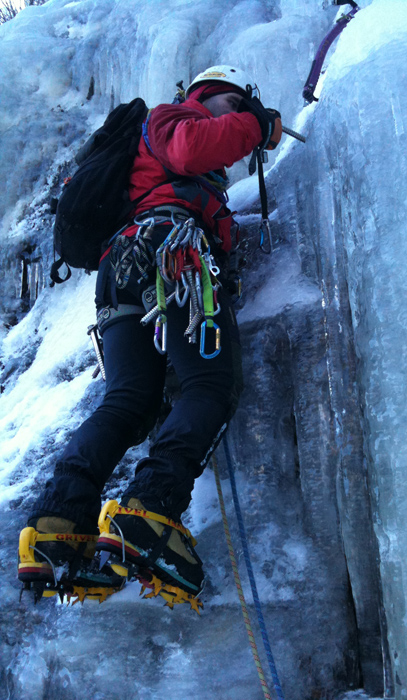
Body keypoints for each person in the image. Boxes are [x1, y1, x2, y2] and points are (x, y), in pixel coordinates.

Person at [18, 65, 282, 609]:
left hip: (124, 270)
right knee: (209, 387)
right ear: (208, 97)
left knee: (130, 403)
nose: (235, 116)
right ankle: (150, 510)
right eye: (230, 102)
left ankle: (58, 530)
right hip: (171, 251)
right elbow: (190, 149)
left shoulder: (162, 165)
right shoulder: (174, 117)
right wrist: (255, 122)